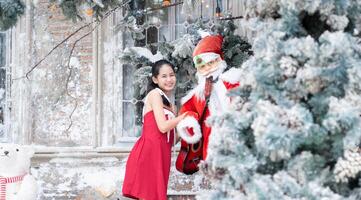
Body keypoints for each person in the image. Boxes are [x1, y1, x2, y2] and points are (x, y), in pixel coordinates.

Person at [122, 59, 186, 200]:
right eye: (164, 76)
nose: (169, 79)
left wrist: (184, 130)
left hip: (162, 155)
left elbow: (170, 141)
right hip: (149, 152)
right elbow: (163, 127)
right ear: (155, 79)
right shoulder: (154, 95)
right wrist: (182, 117)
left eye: (171, 75)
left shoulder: (172, 106)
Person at [176, 35, 242, 164]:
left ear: (220, 61)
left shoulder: (233, 81)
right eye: (202, 67)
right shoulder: (199, 93)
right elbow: (188, 111)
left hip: (235, 140)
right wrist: (190, 122)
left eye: (211, 63)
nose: (207, 69)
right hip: (212, 144)